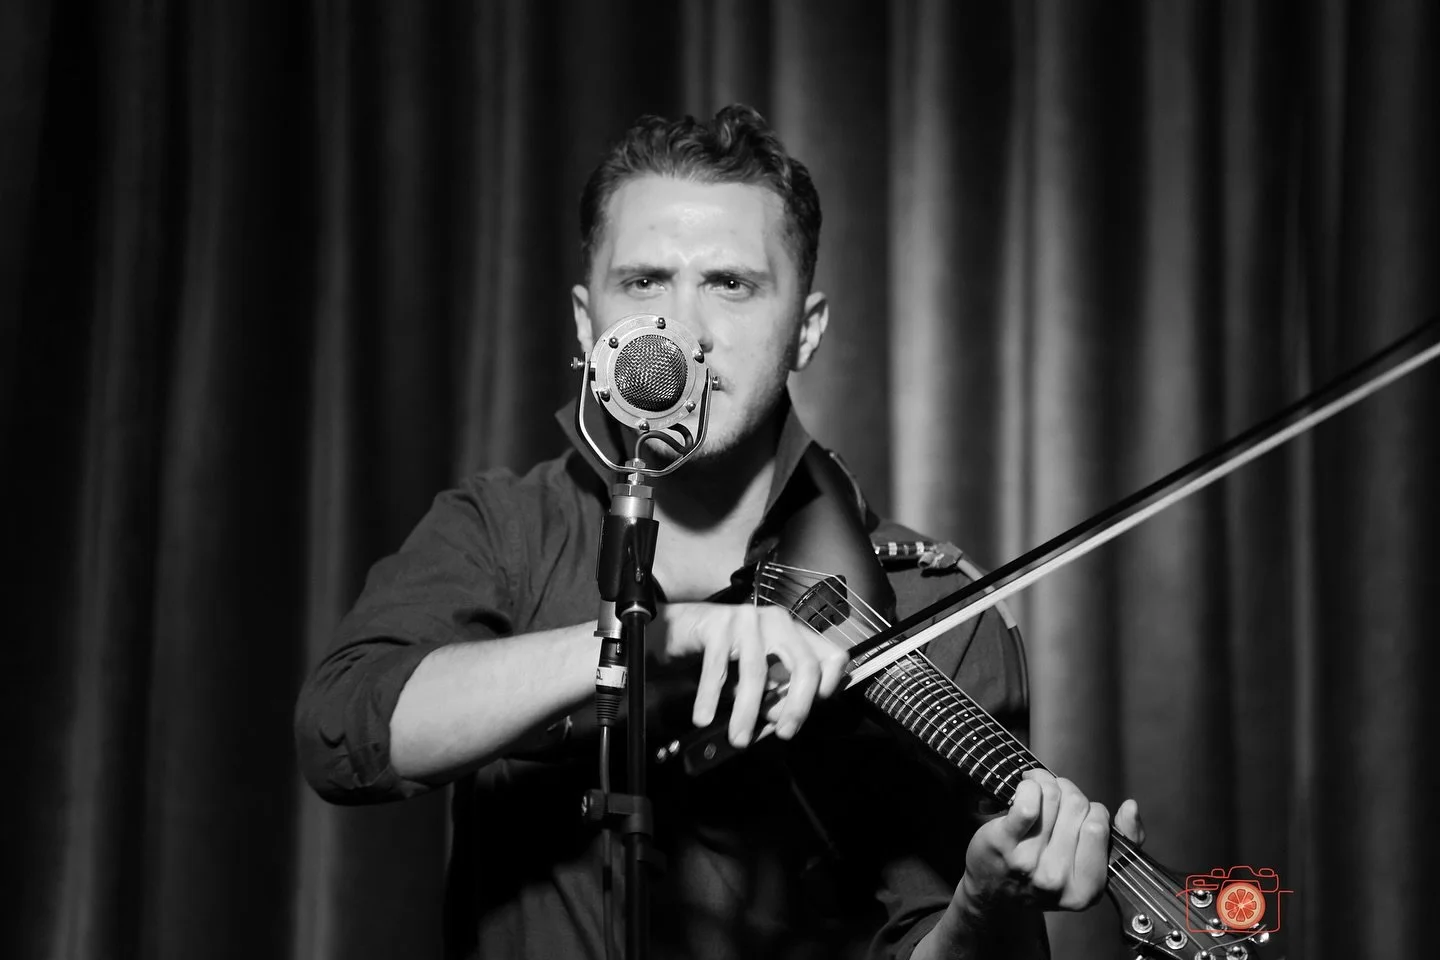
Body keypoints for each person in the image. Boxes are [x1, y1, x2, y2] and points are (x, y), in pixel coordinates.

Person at [295, 104, 1143, 960]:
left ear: (805, 332)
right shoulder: (499, 529)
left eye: (731, 285)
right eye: (645, 282)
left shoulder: (930, 612)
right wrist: (657, 639)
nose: (683, 333)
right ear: (589, 328)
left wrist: (978, 911)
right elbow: (346, 731)